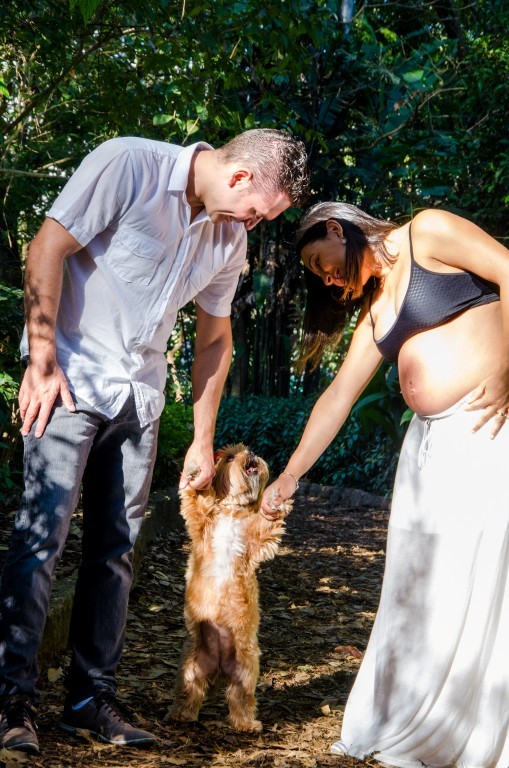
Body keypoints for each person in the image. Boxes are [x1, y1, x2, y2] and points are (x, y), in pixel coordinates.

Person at [0, 129, 310, 754]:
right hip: (68, 380)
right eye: (261, 209)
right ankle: (11, 701)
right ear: (242, 178)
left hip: (139, 399)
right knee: (42, 541)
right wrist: (39, 359)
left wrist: (203, 439)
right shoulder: (128, 165)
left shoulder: (230, 236)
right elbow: (46, 248)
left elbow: (215, 337)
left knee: (116, 550)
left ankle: (90, 699)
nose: (258, 222)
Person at [261, 201, 509, 768]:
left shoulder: (428, 232)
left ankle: (473, 729)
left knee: (476, 584)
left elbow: (507, 269)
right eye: (319, 274)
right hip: (429, 454)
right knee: (418, 592)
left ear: (335, 227)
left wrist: (505, 368)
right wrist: (291, 475)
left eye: (321, 261)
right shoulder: (375, 309)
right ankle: (414, 717)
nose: (326, 276)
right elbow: (337, 399)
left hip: (487, 430)